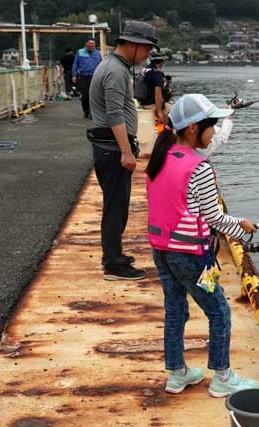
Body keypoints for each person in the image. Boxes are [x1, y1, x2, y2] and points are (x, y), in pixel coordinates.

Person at [145, 94, 259, 397]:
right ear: (194, 128)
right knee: (219, 312)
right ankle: (222, 376)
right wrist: (243, 225)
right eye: (211, 126)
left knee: (175, 310)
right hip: (190, 256)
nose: (213, 134)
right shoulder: (200, 167)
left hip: (162, 249)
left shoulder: (162, 158)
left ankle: (177, 374)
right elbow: (216, 219)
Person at [87, 21, 157, 280]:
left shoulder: (115, 66)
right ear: (133, 44)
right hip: (113, 149)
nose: (148, 53)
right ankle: (114, 265)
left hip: (110, 148)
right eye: (147, 47)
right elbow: (114, 113)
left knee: (116, 206)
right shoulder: (115, 71)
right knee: (115, 208)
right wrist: (126, 152)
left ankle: (114, 255)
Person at [139, 49, 173, 125]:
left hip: (142, 101)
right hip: (151, 104)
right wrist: (159, 112)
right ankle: (167, 132)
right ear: (162, 61)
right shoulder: (156, 73)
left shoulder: (146, 69)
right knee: (172, 111)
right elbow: (157, 95)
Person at [72, 38, 102, 119]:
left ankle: (92, 113)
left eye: (93, 45)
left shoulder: (98, 54)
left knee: (94, 95)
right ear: (86, 44)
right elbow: (75, 64)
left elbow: (101, 65)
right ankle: (86, 111)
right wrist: (74, 75)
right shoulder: (80, 52)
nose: (91, 46)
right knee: (85, 96)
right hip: (83, 76)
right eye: (89, 44)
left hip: (94, 76)